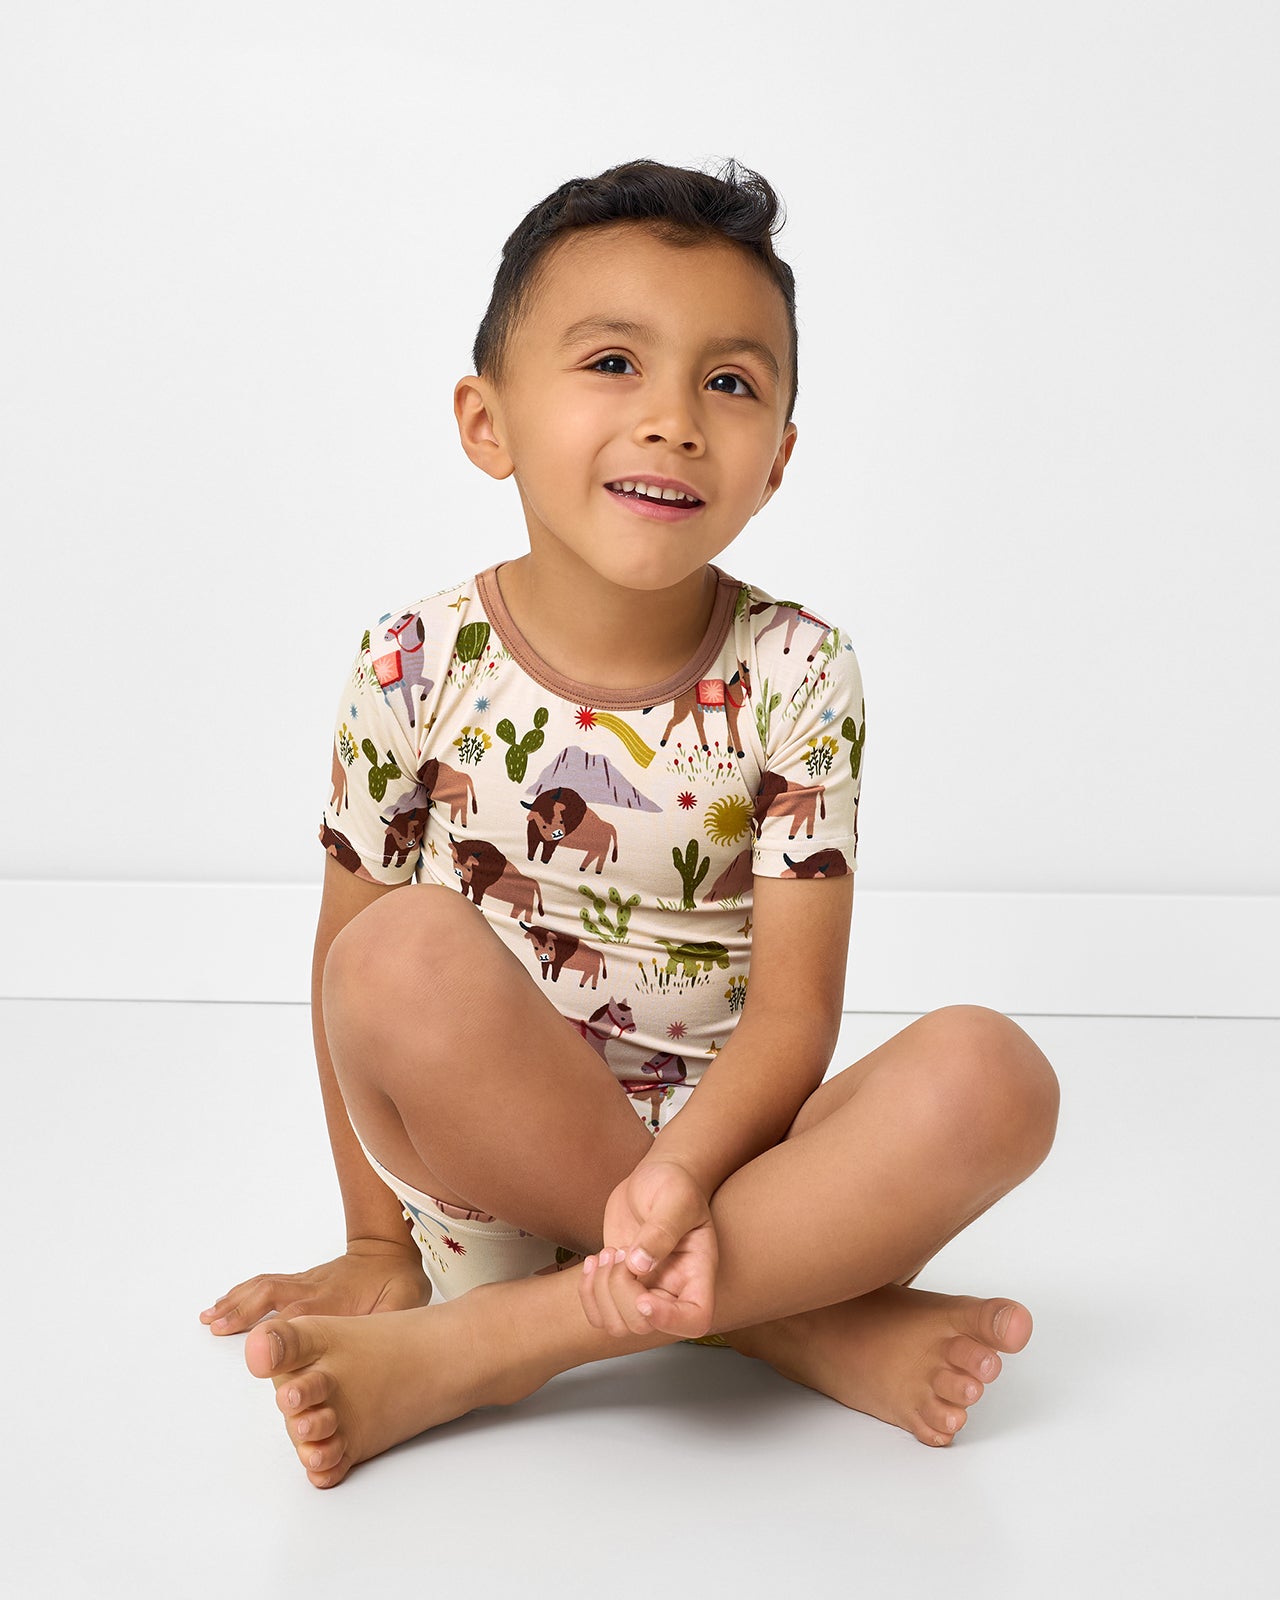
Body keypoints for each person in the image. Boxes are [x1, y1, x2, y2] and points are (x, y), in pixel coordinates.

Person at [199, 157, 1060, 1490]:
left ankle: (511, 1340)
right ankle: (790, 1318)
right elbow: (343, 973)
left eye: (731, 383)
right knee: (396, 953)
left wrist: (682, 1178)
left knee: (996, 1075)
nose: (674, 420)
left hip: (737, 1174)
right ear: (487, 422)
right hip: (489, 1185)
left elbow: (795, 1016)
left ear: (778, 460)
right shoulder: (411, 663)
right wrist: (376, 1246)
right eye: (613, 363)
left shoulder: (800, 671)